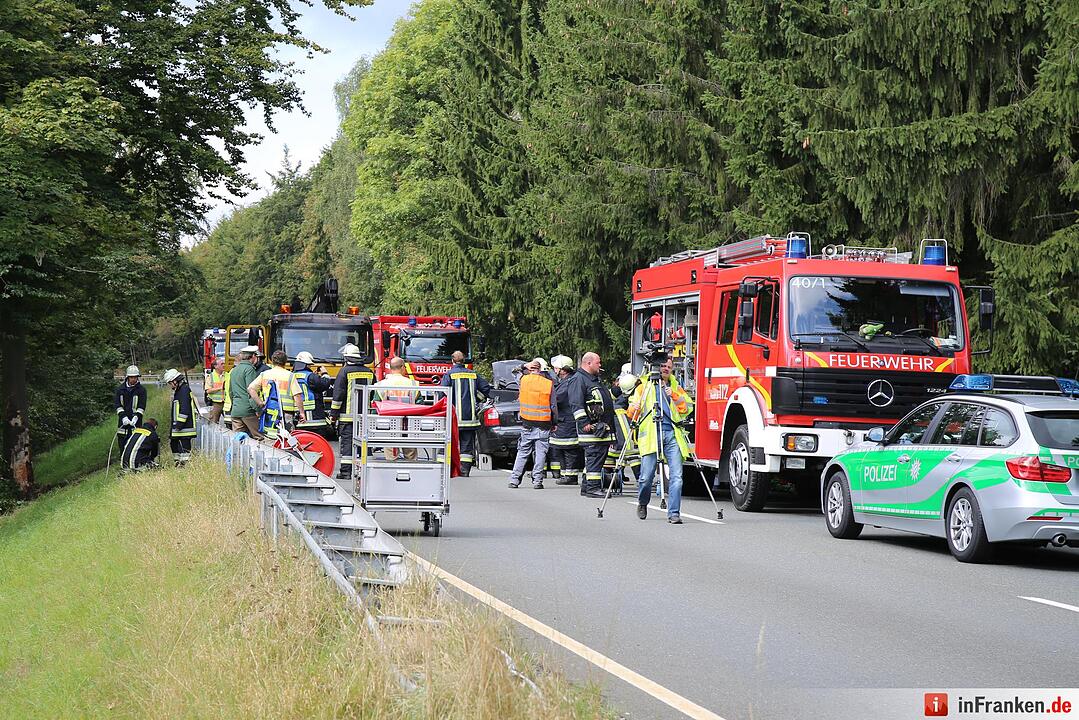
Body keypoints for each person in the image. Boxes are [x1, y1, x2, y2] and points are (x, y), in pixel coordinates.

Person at [628, 357, 694, 524]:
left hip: (672, 434)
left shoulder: (675, 386)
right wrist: (634, 409)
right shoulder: (644, 386)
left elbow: (688, 408)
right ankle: (643, 502)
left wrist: (674, 396)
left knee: (677, 477)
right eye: (663, 365)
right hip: (651, 436)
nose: (665, 369)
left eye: (668, 367)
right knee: (646, 477)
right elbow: (632, 411)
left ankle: (674, 513)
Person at [565, 352, 615, 497]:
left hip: (600, 428)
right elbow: (576, 403)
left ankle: (587, 486)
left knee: (596, 458)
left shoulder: (593, 380)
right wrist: (584, 422)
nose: (600, 365)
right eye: (598, 362)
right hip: (591, 429)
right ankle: (593, 488)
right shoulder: (578, 379)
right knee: (594, 457)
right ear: (588, 363)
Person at [328, 343, 376, 480]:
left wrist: (333, 415)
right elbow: (373, 393)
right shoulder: (369, 372)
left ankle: (345, 472)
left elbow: (338, 395)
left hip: (347, 417)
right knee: (364, 443)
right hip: (364, 416)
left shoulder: (344, 372)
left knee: (347, 444)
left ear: (346, 358)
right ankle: (364, 473)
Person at [507, 360, 557, 489]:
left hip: (527, 423)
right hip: (544, 423)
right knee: (541, 453)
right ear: (541, 369)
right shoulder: (548, 383)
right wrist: (554, 422)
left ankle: (514, 480)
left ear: (530, 369)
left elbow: (514, 371)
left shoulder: (523, 380)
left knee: (523, 451)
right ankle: (537, 481)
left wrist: (523, 365)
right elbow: (553, 405)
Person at [441, 350, 492, 477]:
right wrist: (477, 398)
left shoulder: (449, 375)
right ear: (464, 361)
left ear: (452, 361)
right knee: (467, 445)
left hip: (453, 418)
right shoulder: (473, 375)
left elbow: (443, 393)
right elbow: (486, 389)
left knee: (449, 443)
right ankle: (464, 471)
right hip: (469, 418)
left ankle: (446, 470)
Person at [248, 350, 305, 438]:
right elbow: (297, 396)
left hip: (269, 411)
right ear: (285, 361)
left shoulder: (264, 374)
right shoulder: (290, 375)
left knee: (270, 435)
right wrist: (302, 412)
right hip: (286, 413)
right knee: (287, 437)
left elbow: (251, 389)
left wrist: (260, 403)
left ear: (272, 361)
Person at [373, 356, 421, 461]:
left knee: (391, 457)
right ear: (403, 367)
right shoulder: (413, 384)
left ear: (390, 368)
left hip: (389, 426)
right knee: (411, 457)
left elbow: (376, 405)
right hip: (408, 425)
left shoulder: (381, 384)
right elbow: (420, 404)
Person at [548, 354, 581, 485]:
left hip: (567, 421)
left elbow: (557, 399)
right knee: (562, 448)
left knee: (569, 449)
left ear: (563, 369)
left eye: (556, 368)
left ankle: (570, 477)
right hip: (564, 420)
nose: (555, 371)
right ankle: (566, 475)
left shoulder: (568, 382)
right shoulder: (567, 381)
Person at [606, 371, 641, 494]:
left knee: (612, 457)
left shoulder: (620, 402)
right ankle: (640, 480)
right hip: (628, 440)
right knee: (634, 456)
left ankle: (609, 481)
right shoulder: (630, 400)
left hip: (619, 441)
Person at [293, 351, 334, 434]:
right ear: (307, 365)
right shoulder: (310, 376)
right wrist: (325, 373)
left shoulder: (292, 375)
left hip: (299, 417)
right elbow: (325, 384)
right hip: (315, 418)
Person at [163, 368, 196, 466]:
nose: (170, 385)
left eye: (170, 383)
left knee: (184, 448)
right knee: (174, 444)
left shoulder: (184, 390)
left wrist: (179, 424)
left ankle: (183, 465)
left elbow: (184, 410)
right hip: (179, 427)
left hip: (184, 428)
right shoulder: (179, 390)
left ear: (175, 381)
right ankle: (178, 464)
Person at [229, 346, 264, 440]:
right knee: (259, 437)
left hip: (236, 410)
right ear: (253, 356)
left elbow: (230, 392)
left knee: (238, 439)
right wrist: (258, 409)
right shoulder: (249, 370)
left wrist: (235, 405)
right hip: (248, 410)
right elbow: (251, 391)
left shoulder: (234, 370)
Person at [114, 365, 146, 444]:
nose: (133, 379)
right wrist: (123, 417)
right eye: (131, 377)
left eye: (135, 377)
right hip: (123, 424)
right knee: (122, 445)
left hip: (136, 423)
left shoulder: (141, 390)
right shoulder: (120, 389)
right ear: (127, 377)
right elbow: (118, 405)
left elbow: (141, 407)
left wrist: (136, 417)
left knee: (135, 445)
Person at [206, 357, 226, 424]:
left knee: (229, 422)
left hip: (226, 403)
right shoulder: (210, 376)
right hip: (215, 404)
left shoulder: (227, 375)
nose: (224, 365)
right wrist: (220, 387)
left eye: (224, 363)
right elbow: (208, 391)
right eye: (221, 364)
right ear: (215, 366)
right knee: (213, 423)